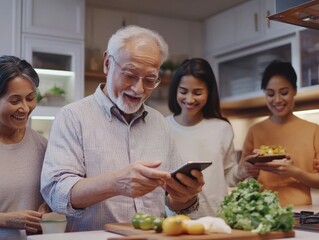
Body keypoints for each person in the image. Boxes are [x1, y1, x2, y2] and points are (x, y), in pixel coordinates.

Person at [40, 25, 204, 232]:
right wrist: (115, 183)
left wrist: (184, 196)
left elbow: (173, 204)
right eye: (129, 75)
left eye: (150, 80)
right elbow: (56, 193)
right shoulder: (73, 117)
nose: (138, 89)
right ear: (107, 63)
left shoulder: (159, 123)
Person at [166, 58, 257, 218]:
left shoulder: (222, 128)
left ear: (209, 92)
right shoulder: (163, 127)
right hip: (176, 222)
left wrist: (242, 170)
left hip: (217, 219)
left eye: (198, 92)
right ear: (175, 90)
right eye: (183, 91)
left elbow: (228, 176)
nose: (189, 99)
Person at [241, 60, 319, 207]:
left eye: (284, 92)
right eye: (270, 94)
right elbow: (243, 176)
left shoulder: (313, 130)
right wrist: (250, 169)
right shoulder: (255, 131)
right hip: (262, 211)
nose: (277, 100)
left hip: (301, 211)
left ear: (294, 91)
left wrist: (294, 172)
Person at [0, 55, 48, 240]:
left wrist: (48, 206)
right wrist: (6, 220)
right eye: (14, 101)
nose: (25, 108)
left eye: (30, 98)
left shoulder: (42, 146)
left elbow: (52, 194)